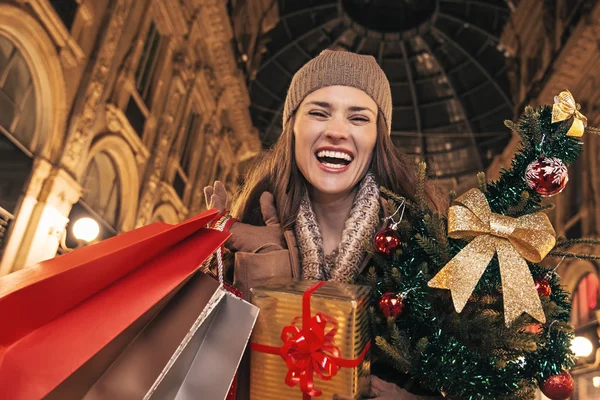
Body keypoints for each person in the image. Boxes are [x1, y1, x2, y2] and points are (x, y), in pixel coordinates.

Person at [205, 50, 443, 400]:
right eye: (318, 113)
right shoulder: (244, 232)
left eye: (358, 118)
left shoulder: (424, 245)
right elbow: (200, 366)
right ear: (293, 128)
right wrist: (232, 268)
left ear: (378, 137)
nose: (336, 132)